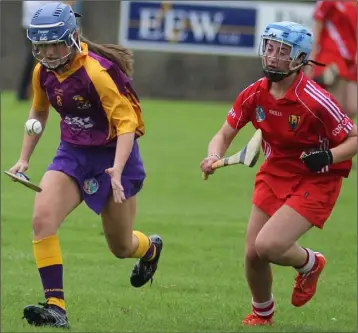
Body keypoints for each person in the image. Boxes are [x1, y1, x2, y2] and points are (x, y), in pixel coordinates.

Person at [9, 2, 163, 329]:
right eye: (41, 45)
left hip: (113, 156)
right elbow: (38, 114)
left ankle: (150, 249)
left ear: (73, 37)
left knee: (121, 246)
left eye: (54, 44)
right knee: (42, 219)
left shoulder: (97, 72)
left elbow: (126, 124)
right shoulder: (42, 73)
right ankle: (56, 306)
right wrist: (24, 159)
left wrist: (118, 170)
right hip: (73, 154)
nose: (48, 53)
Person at [200, 21, 357, 326]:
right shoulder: (254, 94)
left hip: (317, 178)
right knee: (252, 254)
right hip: (275, 173)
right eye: (270, 48)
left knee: (268, 245)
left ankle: (311, 263)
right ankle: (262, 314)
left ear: (299, 59)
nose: (273, 57)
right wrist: (212, 155)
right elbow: (223, 134)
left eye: (282, 51)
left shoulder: (316, 100)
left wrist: (328, 156)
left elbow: (353, 139)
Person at [305, 0, 357, 119]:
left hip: (351, 58)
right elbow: (316, 28)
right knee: (335, 105)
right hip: (332, 55)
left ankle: (335, 132)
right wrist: (311, 60)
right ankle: (331, 135)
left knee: (352, 107)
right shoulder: (327, 2)